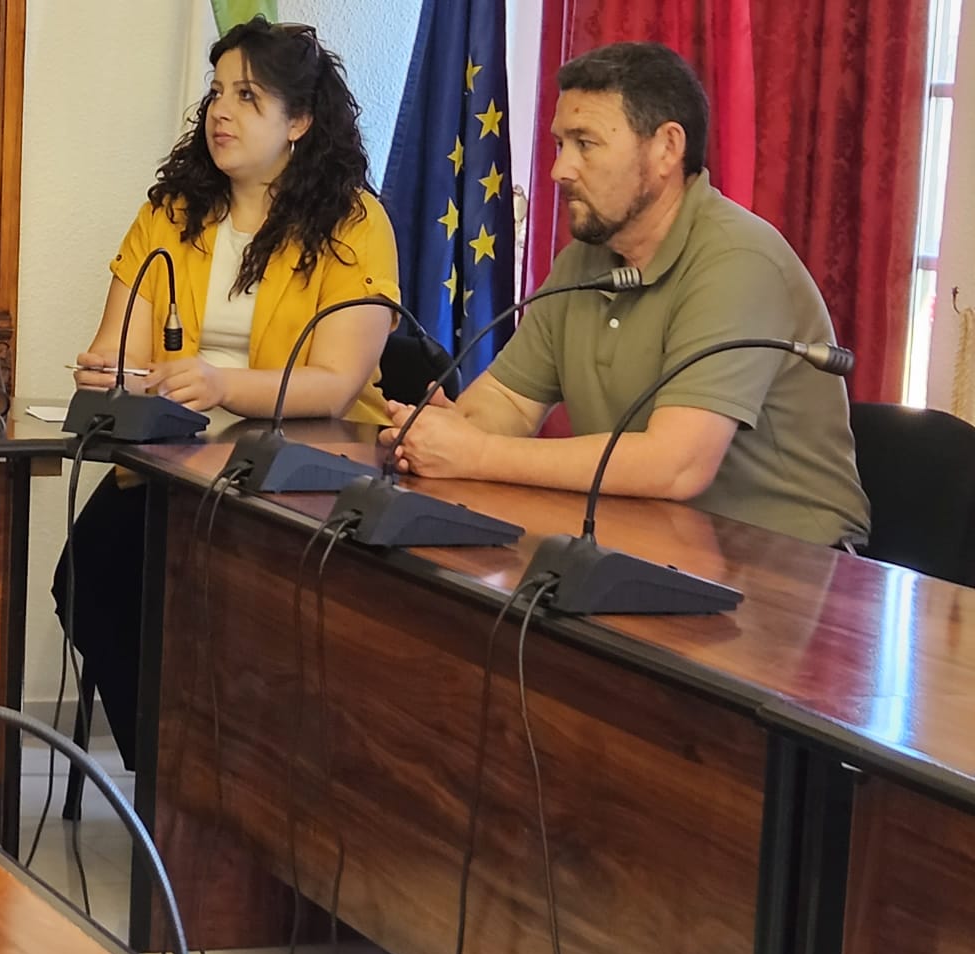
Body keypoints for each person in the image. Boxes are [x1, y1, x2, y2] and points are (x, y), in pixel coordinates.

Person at [57, 17, 401, 767]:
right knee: (86, 578)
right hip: (171, 457)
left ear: (300, 121)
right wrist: (109, 374)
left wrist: (220, 384)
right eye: (216, 92)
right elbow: (119, 342)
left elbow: (337, 386)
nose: (220, 111)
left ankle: (238, 779)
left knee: (241, 613)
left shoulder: (354, 222)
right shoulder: (171, 212)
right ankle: (172, 775)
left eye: (248, 96)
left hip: (301, 469)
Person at [381, 42, 870, 547]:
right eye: (558, 144)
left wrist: (475, 456)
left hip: (792, 567)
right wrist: (439, 433)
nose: (560, 171)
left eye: (585, 144)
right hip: (646, 542)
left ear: (666, 148)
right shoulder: (587, 258)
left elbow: (677, 466)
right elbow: (510, 400)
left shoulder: (738, 261)